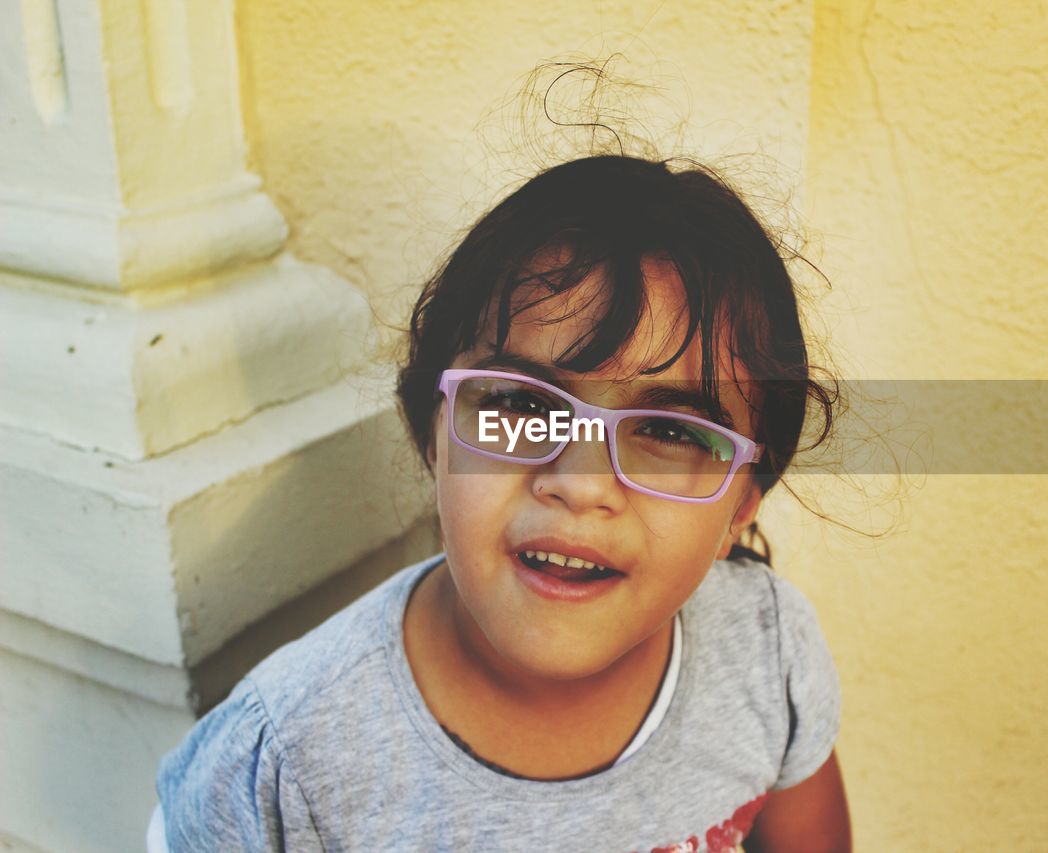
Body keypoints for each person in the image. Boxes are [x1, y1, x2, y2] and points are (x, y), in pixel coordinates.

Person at [154, 154, 851, 851]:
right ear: (433, 433)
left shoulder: (768, 651)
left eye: (670, 431)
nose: (581, 483)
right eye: (520, 403)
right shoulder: (281, 764)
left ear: (741, 507)